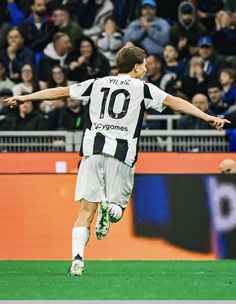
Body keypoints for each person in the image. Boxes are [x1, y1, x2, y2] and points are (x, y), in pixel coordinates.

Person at [4, 46, 230, 276]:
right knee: (119, 208)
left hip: (92, 152)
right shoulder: (143, 88)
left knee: (85, 211)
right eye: (143, 64)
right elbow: (176, 102)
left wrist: (24, 97)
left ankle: (77, 260)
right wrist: (207, 117)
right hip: (121, 154)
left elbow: (60, 92)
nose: (145, 68)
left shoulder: (97, 83)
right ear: (135, 67)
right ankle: (109, 207)